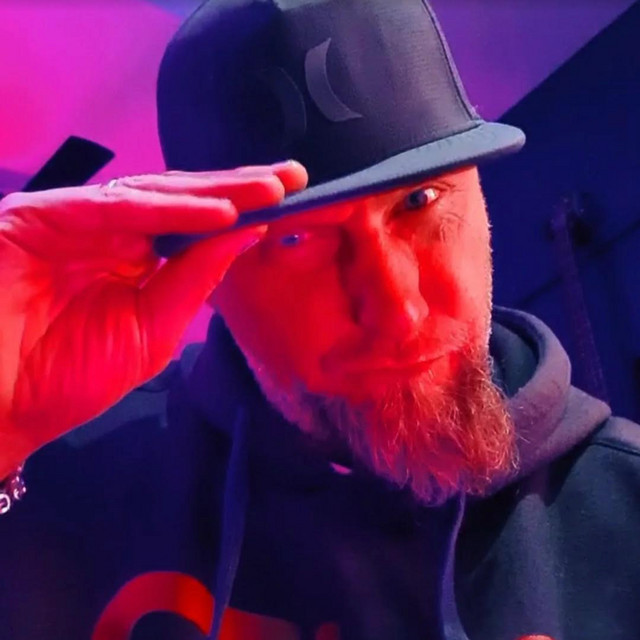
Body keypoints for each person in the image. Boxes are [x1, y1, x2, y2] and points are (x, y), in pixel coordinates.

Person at [0, 1, 638, 639]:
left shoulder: (626, 500)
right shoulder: (70, 481)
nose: (398, 309)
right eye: (295, 239)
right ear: (209, 278)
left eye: (419, 199)